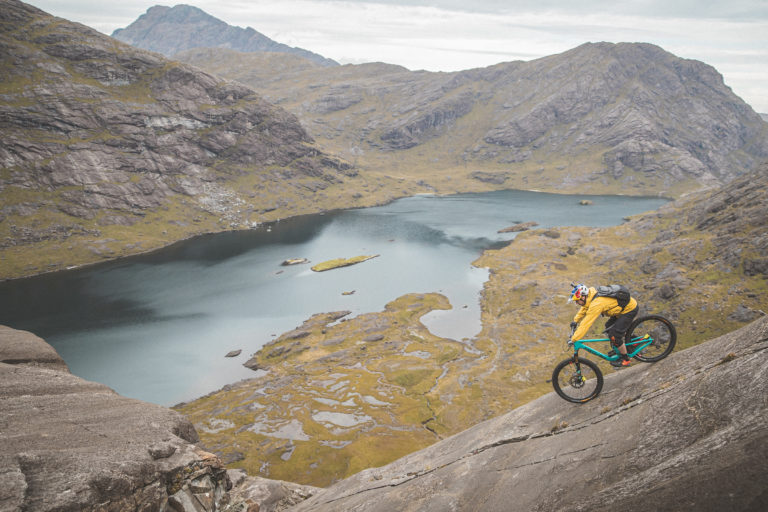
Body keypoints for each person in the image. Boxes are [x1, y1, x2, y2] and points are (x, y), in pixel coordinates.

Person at [568, 283, 638, 367]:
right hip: (619, 311)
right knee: (608, 327)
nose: (576, 303)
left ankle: (625, 359)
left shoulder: (596, 304)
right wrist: (575, 320)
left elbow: (586, 324)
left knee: (614, 336)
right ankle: (628, 342)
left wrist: (574, 338)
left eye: (577, 300)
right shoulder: (590, 296)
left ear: (583, 297)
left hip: (628, 310)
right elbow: (584, 308)